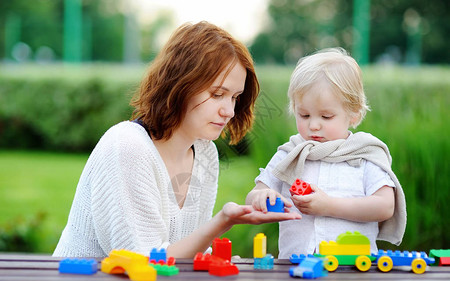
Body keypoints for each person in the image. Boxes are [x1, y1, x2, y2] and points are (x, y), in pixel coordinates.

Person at [53, 21, 300, 258]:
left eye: (235, 97)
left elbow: (187, 251)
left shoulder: (205, 153)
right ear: (180, 85)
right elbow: (143, 262)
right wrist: (223, 221)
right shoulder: (128, 147)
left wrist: (215, 260)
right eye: (217, 94)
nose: (229, 111)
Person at [245, 48, 406, 259]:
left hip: (353, 270)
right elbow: (252, 197)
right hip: (294, 267)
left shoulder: (364, 155)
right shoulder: (290, 154)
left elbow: (385, 207)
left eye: (326, 116)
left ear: (354, 114)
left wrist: (329, 206)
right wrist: (261, 196)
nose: (313, 125)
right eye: (304, 115)